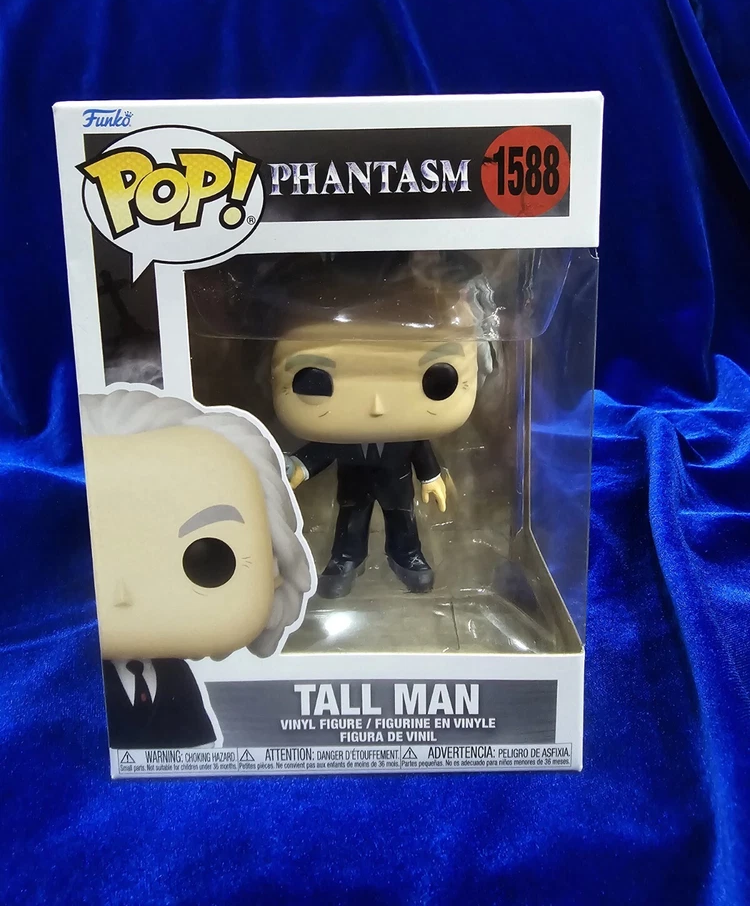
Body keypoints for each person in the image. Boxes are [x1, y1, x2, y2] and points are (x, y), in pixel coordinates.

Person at [80, 388, 313, 748]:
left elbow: (200, 743)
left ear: (275, 564)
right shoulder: (64, 689)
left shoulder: (175, 674)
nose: (122, 595)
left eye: (210, 559)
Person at [271, 256, 492, 599]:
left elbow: (420, 448)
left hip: (397, 484)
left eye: (437, 380)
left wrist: (431, 478)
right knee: (350, 523)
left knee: (402, 521)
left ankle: (407, 556)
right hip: (355, 484)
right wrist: (298, 467)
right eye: (316, 381)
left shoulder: (406, 432)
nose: (377, 407)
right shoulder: (341, 434)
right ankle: (346, 560)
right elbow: (322, 449)